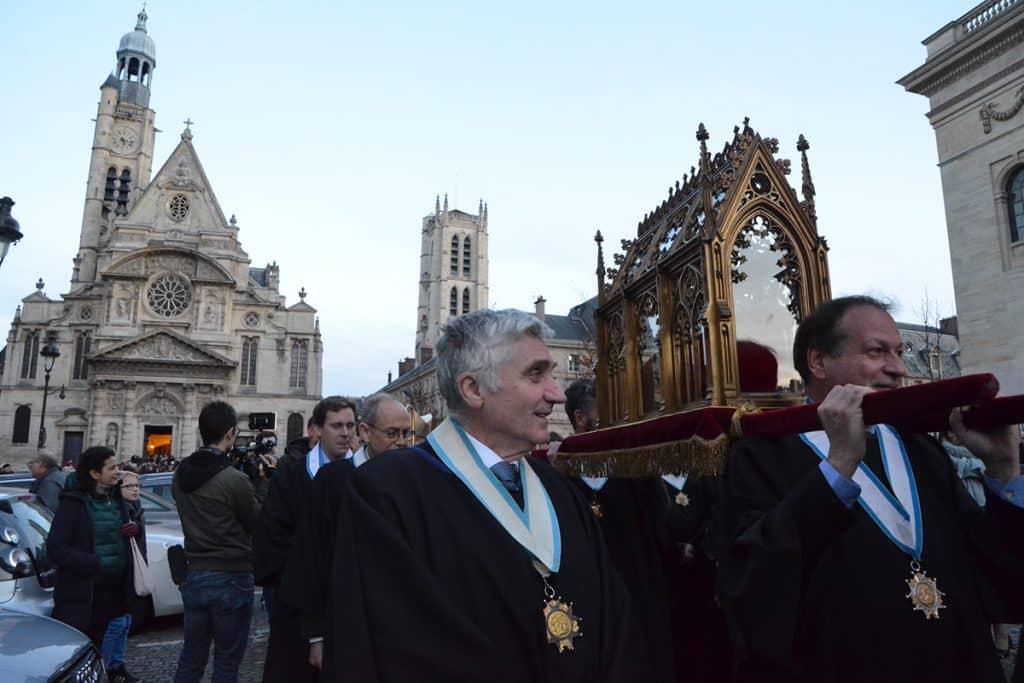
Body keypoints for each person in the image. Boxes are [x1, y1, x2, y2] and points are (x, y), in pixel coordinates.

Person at [716, 295, 1024, 682]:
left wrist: (1004, 468)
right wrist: (839, 465)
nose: (897, 369)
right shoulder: (763, 456)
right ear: (818, 361)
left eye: (900, 351)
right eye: (877, 352)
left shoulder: (922, 451)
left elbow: (1004, 583)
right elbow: (752, 590)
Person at [329, 309, 639, 681]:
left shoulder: (559, 488)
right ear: (473, 389)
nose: (556, 393)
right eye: (536, 374)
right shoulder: (387, 495)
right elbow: (395, 650)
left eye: (553, 375)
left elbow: (616, 621)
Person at [561, 378, 678, 682]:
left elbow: (663, 534)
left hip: (643, 604)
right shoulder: (560, 480)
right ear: (579, 418)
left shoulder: (637, 471)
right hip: (591, 611)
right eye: (606, 412)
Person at [297, 393, 413, 677]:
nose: (401, 441)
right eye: (392, 433)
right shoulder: (332, 481)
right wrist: (317, 634)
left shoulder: (416, 478)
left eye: (407, 433)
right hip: (349, 618)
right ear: (365, 432)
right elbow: (314, 557)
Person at [255, 395, 358, 682]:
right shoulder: (292, 473)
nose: (345, 433)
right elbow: (272, 535)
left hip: (346, 602)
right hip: (296, 601)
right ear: (317, 429)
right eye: (337, 425)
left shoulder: (363, 476)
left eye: (350, 425)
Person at [172, 400, 259, 683]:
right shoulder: (234, 479)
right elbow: (255, 523)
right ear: (231, 433)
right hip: (231, 573)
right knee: (226, 662)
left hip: (195, 572)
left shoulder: (179, 476)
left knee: (191, 656)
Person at [46, 447, 136, 647]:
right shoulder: (74, 503)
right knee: (86, 645)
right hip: (87, 591)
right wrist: (92, 563)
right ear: (95, 473)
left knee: (107, 641)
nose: (117, 472)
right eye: (112, 468)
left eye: (118, 467)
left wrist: (133, 530)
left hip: (115, 589)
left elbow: (118, 533)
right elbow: (55, 547)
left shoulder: (116, 499)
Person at [102, 470, 146, 683]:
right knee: (117, 623)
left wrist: (138, 529)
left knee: (127, 621)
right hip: (117, 573)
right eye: (129, 486)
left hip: (131, 572)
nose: (136, 489)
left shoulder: (136, 508)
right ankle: (105, 667)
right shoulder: (115, 510)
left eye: (137, 485)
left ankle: (117, 665)